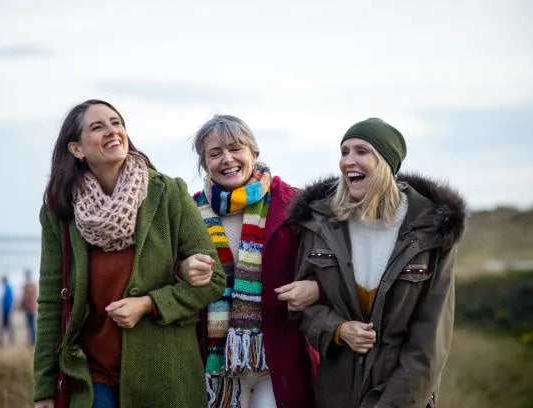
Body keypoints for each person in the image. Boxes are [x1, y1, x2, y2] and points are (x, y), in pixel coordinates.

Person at [33, 99, 225, 408]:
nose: (112, 131)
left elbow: (214, 281)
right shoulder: (60, 212)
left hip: (165, 375)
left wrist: (150, 304)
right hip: (91, 378)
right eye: (98, 127)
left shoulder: (168, 193)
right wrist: (44, 389)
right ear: (76, 149)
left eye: (116, 123)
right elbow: (51, 303)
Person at [290, 118, 466, 407]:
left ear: (385, 162)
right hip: (335, 395)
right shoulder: (320, 223)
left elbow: (429, 340)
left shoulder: (430, 231)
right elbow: (302, 308)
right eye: (344, 152)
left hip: (403, 394)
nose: (348, 161)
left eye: (361, 151)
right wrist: (338, 329)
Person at [179, 114, 319, 408]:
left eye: (235, 149)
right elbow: (169, 268)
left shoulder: (293, 204)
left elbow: (327, 266)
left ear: (253, 153)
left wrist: (316, 287)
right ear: (205, 163)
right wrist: (181, 270)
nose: (227, 159)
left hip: (279, 356)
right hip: (217, 364)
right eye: (215, 153)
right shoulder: (189, 212)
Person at [20, 268, 38, 346]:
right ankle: (32, 340)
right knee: (31, 325)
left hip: (29, 309)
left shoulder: (28, 286)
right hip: (32, 308)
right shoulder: (33, 285)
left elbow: (26, 298)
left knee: (30, 325)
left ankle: (32, 340)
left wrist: (21, 306)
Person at [0, 275, 15, 346]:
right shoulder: (7, 287)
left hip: (6, 310)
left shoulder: (7, 288)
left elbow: (9, 299)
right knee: (6, 324)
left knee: (4, 325)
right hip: (6, 309)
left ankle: (1, 340)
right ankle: (8, 338)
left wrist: (7, 309)